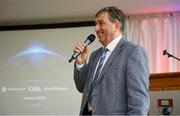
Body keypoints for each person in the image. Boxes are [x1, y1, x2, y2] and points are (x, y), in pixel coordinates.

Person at [73, 6, 150, 115]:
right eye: (95, 24)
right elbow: (82, 87)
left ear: (117, 25)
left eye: (101, 23)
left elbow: (139, 100)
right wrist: (80, 64)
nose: (96, 28)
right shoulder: (95, 55)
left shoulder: (133, 52)